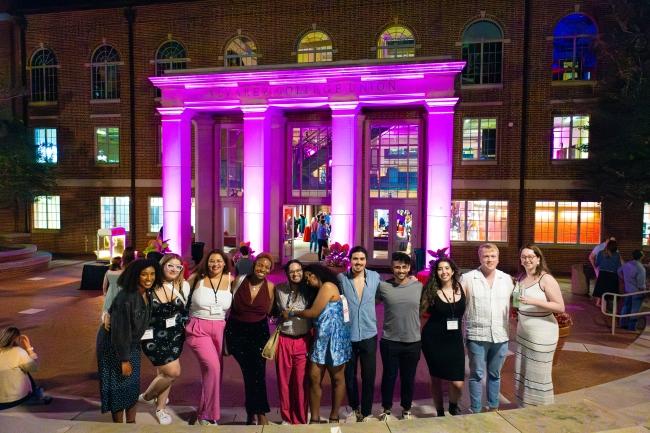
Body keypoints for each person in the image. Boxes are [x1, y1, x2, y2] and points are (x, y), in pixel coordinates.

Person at [284, 264, 351, 424]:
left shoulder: (328, 286)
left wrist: (292, 312)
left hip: (335, 341)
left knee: (337, 379)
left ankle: (334, 416)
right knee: (314, 379)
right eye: (306, 278)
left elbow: (314, 312)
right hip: (320, 340)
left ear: (319, 273)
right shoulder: (317, 291)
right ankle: (314, 418)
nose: (307, 279)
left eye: (310, 275)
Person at [96, 259, 158, 423]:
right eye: (144, 274)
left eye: (152, 274)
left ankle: (131, 422)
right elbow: (120, 330)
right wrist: (124, 359)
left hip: (130, 344)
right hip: (115, 345)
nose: (148, 278)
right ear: (134, 276)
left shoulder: (146, 293)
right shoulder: (127, 297)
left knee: (131, 386)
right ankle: (119, 425)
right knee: (119, 387)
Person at [139, 253, 190, 425]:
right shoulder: (150, 285)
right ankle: (147, 396)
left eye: (178, 266)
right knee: (172, 371)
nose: (174, 269)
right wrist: (107, 312)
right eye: (170, 265)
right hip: (151, 336)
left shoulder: (183, 285)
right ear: (162, 265)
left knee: (164, 374)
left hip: (175, 335)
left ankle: (160, 409)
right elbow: (125, 297)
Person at [462, 243, 514, 413]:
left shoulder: (506, 279)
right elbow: (457, 303)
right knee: (476, 374)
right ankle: (475, 409)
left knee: (495, 374)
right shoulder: (468, 278)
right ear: (480, 258)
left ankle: (493, 407)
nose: (489, 259)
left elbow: (517, 303)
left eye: (492, 256)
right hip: (477, 334)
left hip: (500, 335)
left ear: (498, 259)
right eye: (486, 256)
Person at [184, 249, 234, 426]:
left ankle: (204, 412)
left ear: (225, 262)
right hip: (198, 328)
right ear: (207, 262)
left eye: (219, 261)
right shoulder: (197, 278)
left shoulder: (231, 281)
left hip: (219, 328)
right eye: (212, 261)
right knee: (213, 367)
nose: (215, 264)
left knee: (214, 372)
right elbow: (176, 292)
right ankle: (207, 415)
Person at [225, 253, 275, 425]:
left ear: (270, 270)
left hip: (258, 333)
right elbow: (226, 305)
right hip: (237, 332)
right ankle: (254, 411)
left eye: (267, 267)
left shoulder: (270, 287)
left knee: (257, 373)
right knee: (250, 373)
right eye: (260, 265)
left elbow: (271, 312)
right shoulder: (238, 281)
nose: (263, 269)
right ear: (254, 266)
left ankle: (257, 412)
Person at [514, 245, 565, 407]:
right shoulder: (521, 277)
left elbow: (560, 307)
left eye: (531, 256)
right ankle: (525, 405)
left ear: (538, 259)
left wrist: (533, 301)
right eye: (524, 257)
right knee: (525, 369)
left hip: (542, 331)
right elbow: (517, 302)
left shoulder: (546, 279)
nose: (527, 260)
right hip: (524, 330)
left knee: (538, 372)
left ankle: (541, 407)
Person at [376, 252, 422, 421]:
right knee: (389, 376)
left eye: (404, 267)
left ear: (409, 268)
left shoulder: (418, 286)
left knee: (408, 378)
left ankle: (406, 409)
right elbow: (369, 302)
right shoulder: (383, 287)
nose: (401, 270)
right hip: (390, 341)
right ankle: (386, 409)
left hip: (413, 341)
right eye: (397, 267)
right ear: (392, 268)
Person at [337, 246, 380, 422]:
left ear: (366, 261)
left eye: (362, 259)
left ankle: (367, 410)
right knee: (349, 375)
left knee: (369, 374)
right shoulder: (341, 278)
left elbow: (385, 291)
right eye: (355, 259)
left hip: (369, 333)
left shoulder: (375, 277)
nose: (358, 262)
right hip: (348, 334)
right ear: (350, 260)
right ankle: (355, 407)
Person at [420, 257, 466, 417]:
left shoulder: (462, 287)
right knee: (436, 378)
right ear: (436, 272)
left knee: (458, 382)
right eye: (440, 269)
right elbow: (418, 312)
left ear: (453, 271)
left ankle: (453, 407)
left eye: (447, 268)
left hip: (455, 340)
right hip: (433, 339)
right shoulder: (431, 291)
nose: (444, 272)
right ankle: (440, 412)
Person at [274, 260, 314, 424]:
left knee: (300, 381)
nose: (295, 274)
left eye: (298, 270)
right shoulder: (279, 290)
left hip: (303, 340)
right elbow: (274, 313)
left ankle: (300, 417)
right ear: (287, 274)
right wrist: (279, 318)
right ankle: (286, 417)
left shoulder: (309, 291)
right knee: (284, 381)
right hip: (284, 339)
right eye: (292, 271)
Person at [0, 327, 51, 410]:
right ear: (17, 339)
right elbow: (34, 368)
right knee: (26, 370)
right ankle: (37, 395)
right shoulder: (18, 352)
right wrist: (29, 347)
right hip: (15, 400)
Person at [619, 250, 647, 331]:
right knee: (635, 309)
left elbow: (619, 271)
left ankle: (623, 323)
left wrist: (624, 279)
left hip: (628, 289)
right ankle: (631, 327)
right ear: (641, 257)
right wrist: (644, 292)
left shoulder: (627, 264)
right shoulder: (641, 268)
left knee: (626, 306)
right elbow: (641, 284)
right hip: (637, 291)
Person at [593, 239, 623, 308]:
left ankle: (603, 310)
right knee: (614, 295)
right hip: (612, 276)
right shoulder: (617, 255)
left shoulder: (601, 253)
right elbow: (619, 266)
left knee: (603, 294)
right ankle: (614, 312)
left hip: (602, 275)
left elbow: (597, 264)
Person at [102, 257, 124, 326]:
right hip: (120, 291)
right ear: (120, 263)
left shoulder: (108, 272)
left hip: (110, 292)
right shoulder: (122, 272)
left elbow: (104, 285)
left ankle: (107, 323)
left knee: (108, 307)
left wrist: (105, 293)